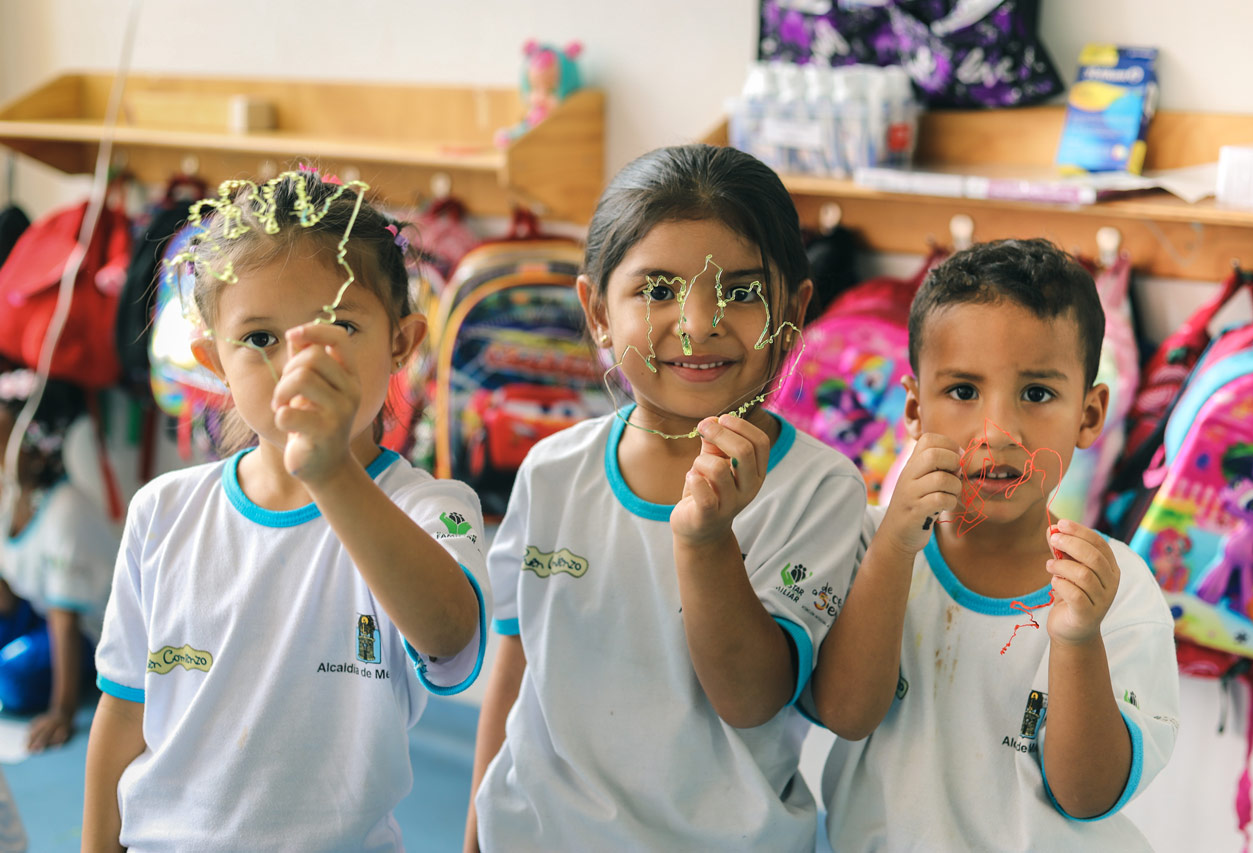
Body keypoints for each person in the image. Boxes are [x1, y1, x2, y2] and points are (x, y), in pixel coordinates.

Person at [468, 143, 867, 851]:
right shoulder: (553, 469)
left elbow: (750, 697)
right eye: (656, 289)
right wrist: (477, 831)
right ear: (596, 309)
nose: (698, 322)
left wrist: (707, 539)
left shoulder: (818, 490)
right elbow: (516, 659)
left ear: (795, 311)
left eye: (742, 292)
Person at [82, 171, 488, 852]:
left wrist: (331, 472)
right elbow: (124, 713)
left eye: (339, 326)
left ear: (401, 343)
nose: (300, 361)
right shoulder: (164, 512)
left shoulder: (427, 508)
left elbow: (451, 639)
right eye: (261, 338)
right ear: (214, 358)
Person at [813, 238, 1179, 851]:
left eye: (1037, 394)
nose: (998, 432)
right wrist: (896, 547)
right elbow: (846, 716)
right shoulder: (870, 543)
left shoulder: (1114, 589)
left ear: (1088, 416)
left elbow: (1086, 795)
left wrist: (1078, 637)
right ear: (914, 407)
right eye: (962, 392)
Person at [0, 372, 117, 752]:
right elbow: (7, 598)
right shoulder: (11, 496)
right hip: (38, 613)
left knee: (12, 680)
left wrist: (61, 712)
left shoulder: (65, 511)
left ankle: (69, 686)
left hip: (85, 631)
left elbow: (64, 621)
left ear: (34, 450)